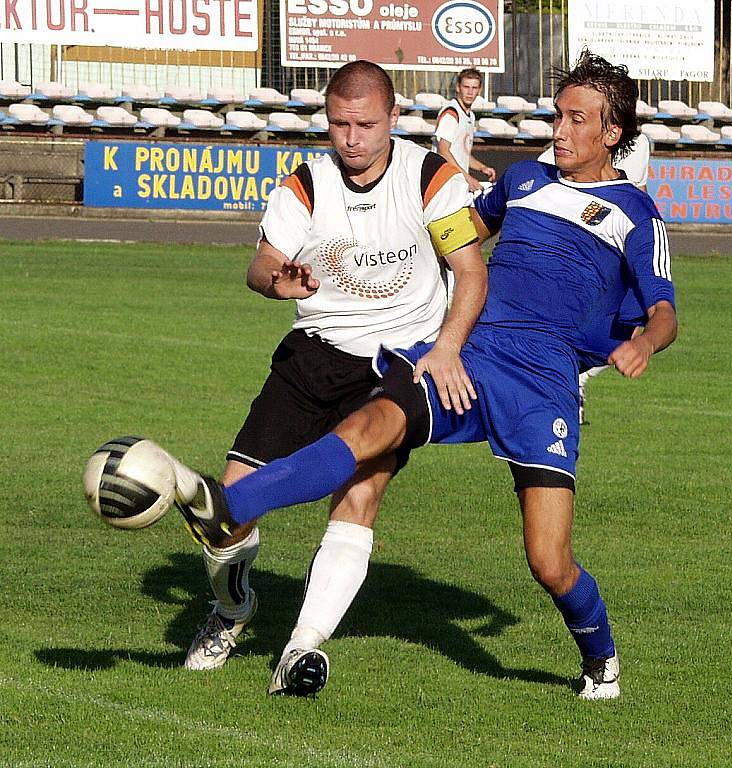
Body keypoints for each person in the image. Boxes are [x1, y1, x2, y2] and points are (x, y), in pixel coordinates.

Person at [169, 50, 677, 701]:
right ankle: (224, 507)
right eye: (556, 116)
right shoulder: (521, 180)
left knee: (548, 561)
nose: (558, 131)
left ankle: (599, 656)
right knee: (369, 425)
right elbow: (455, 240)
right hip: (466, 357)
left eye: (577, 121)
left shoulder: (634, 211)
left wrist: (643, 343)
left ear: (611, 133)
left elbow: (663, 310)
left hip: (542, 384)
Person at [175, 60, 487, 686]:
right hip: (313, 355)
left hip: (396, 363)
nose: (352, 138)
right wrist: (278, 280)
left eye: (366, 124)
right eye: (339, 124)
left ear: (393, 118)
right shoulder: (304, 185)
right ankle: (233, 607)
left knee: (361, 493)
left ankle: (303, 646)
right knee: (228, 513)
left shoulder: (432, 178)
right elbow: (259, 266)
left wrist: (448, 347)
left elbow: (472, 272)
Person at [539, 132, 651, 423]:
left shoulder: (640, 143)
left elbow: (639, 193)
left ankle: (575, 380)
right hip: (571, 251)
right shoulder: (571, 145)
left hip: (614, 253)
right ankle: (560, 386)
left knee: (628, 330)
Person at [434, 68, 496, 193]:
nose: (470, 92)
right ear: (458, 88)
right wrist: (466, 177)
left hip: (457, 182)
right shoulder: (451, 114)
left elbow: (462, 153)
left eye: (474, 88)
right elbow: (443, 150)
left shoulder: (470, 116)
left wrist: (482, 167)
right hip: (443, 182)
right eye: (466, 87)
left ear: (479, 90)